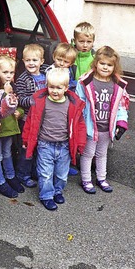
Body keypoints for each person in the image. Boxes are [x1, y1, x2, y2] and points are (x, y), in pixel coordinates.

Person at [22, 68, 86, 210]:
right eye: (51, 87)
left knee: (62, 174)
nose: (55, 91)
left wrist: (80, 144)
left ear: (66, 88)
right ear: (47, 86)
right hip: (45, 144)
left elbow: (80, 125)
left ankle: (57, 190)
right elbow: (30, 123)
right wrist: (26, 140)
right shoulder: (40, 102)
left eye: (59, 88)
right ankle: (46, 195)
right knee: (45, 173)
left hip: (64, 145)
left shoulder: (72, 104)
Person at [75, 46, 129, 194]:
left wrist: (121, 122)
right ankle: (86, 179)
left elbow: (121, 106)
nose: (105, 67)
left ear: (114, 67)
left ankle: (101, 178)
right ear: (96, 63)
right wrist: (78, 124)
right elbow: (78, 103)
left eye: (109, 65)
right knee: (87, 154)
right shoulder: (85, 82)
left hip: (107, 127)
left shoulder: (117, 85)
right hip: (90, 126)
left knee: (102, 154)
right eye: (102, 63)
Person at [14, 44, 51, 189]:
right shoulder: (23, 79)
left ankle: (35, 170)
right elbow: (20, 98)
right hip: (28, 119)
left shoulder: (47, 74)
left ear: (41, 61)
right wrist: (33, 100)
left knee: (40, 147)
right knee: (27, 147)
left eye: (35, 60)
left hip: (44, 118)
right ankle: (23, 174)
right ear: (23, 61)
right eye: (28, 60)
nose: (31, 63)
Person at [0, 57, 22, 198]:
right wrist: (6, 93)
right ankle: (0, 181)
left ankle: (10, 176)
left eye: (11, 72)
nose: (8, 75)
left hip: (9, 129)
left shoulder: (12, 87)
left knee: (8, 153)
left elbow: (19, 105)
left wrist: (19, 112)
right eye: (5, 72)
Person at [49, 42, 80, 175]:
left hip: (66, 104)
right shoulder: (50, 71)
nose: (61, 63)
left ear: (71, 63)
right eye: (59, 59)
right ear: (53, 57)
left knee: (66, 134)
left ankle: (64, 166)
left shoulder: (70, 71)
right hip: (53, 105)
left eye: (65, 61)